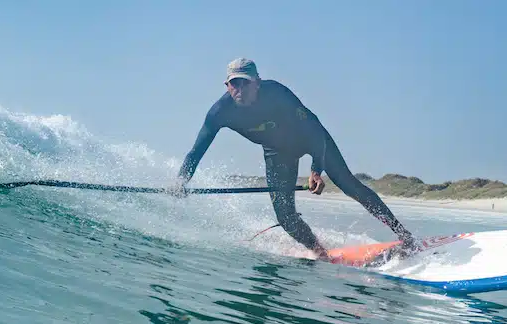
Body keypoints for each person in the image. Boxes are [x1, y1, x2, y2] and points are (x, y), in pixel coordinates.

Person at [171, 58, 417, 260]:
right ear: (226, 85)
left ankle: (405, 237)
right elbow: (196, 151)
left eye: (245, 83)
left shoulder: (277, 94)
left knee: (348, 184)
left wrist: (316, 170)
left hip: (310, 138)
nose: (239, 90)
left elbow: (313, 128)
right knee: (285, 217)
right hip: (277, 152)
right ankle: (321, 254)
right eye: (234, 84)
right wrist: (181, 181)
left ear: (257, 82)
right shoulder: (219, 112)